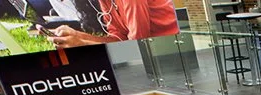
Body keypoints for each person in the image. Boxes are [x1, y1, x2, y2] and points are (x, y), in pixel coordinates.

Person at [49, 0, 177, 46]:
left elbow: (137, 44)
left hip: (173, 47)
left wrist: (82, 43)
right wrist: (77, 36)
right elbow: (118, 38)